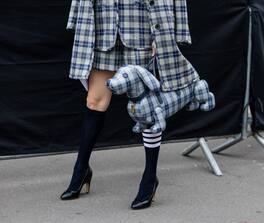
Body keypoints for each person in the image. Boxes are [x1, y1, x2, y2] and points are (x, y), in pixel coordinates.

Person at [60, 0, 199, 210]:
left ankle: (150, 177)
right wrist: (77, 17)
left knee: (148, 109)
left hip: (142, 26)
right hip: (105, 27)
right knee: (95, 101)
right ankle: (81, 170)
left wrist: (172, 32)